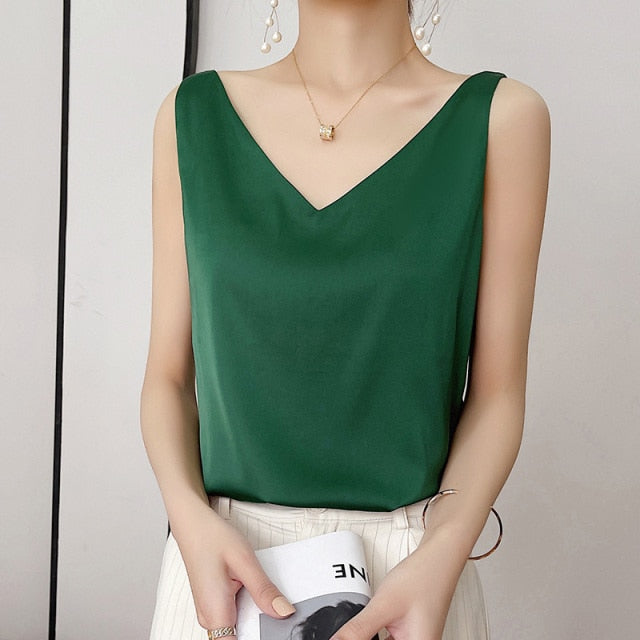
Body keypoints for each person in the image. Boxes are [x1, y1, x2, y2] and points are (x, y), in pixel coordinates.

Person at [140, 1, 550, 639]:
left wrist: (444, 552)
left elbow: (498, 392)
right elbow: (167, 378)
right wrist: (189, 519)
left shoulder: (501, 118)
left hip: (412, 574)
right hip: (224, 570)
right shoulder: (191, 116)